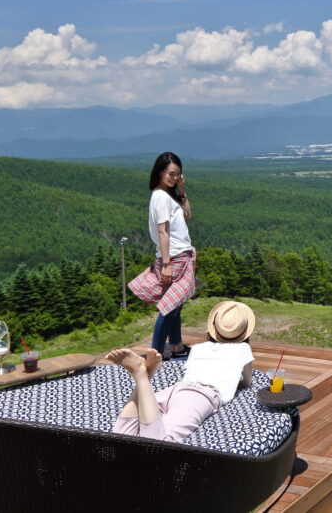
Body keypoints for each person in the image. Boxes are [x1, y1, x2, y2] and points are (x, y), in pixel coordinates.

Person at [109, 300, 256, 442]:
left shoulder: (199, 348)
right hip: (200, 396)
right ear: (244, 334)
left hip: (177, 389)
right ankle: (142, 376)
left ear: (213, 328)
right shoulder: (243, 349)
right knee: (156, 443)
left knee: (121, 437)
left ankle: (145, 377)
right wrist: (233, 381)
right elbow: (247, 381)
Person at [128, 152, 195, 358]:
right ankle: (155, 354)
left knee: (175, 305)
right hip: (174, 258)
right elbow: (162, 231)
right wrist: (166, 264)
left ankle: (176, 345)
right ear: (159, 172)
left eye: (177, 175)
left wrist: (182, 191)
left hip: (179, 256)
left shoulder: (169, 196)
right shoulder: (160, 196)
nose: (174, 178)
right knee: (169, 308)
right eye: (170, 174)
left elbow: (188, 215)